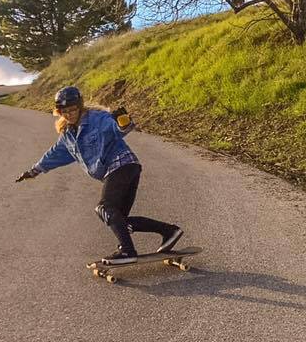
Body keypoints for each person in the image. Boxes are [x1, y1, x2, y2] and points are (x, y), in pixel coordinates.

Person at [15, 85, 184, 264]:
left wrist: (123, 122)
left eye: (73, 109)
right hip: (125, 169)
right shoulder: (67, 136)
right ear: (59, 112)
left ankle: (127, 251)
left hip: (122, 165)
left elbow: (119, 128)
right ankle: (169, 231)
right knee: (120, 221)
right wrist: (34, 171)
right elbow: (53, 155)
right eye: (65, 111)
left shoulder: (97, 119)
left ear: (80, 107)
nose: (69, 114)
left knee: (105, 208)